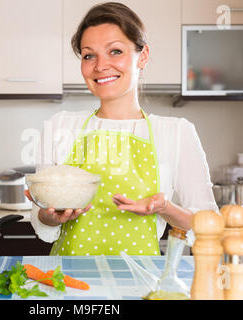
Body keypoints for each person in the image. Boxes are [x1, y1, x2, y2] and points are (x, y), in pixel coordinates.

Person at [26, 2, 218, 256]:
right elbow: (43, 225)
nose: (100, 65)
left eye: (115, 51)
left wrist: (164, 208)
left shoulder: (176, 132)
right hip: (68, 282)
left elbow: (208, 226)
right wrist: (52, 216)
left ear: (144, 56)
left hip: (140, 286)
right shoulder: (60, 126)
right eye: (88, 55)